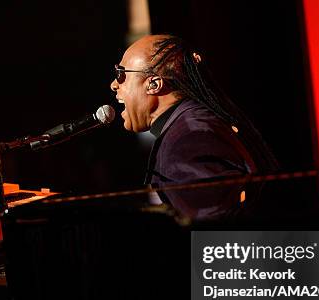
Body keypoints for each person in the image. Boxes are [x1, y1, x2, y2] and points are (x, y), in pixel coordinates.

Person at [110, 34, 278, 219]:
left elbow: (214, 232)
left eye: (121, 74)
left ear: (155, 84)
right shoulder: (189, 125)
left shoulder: (188, 139)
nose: (114, 85)